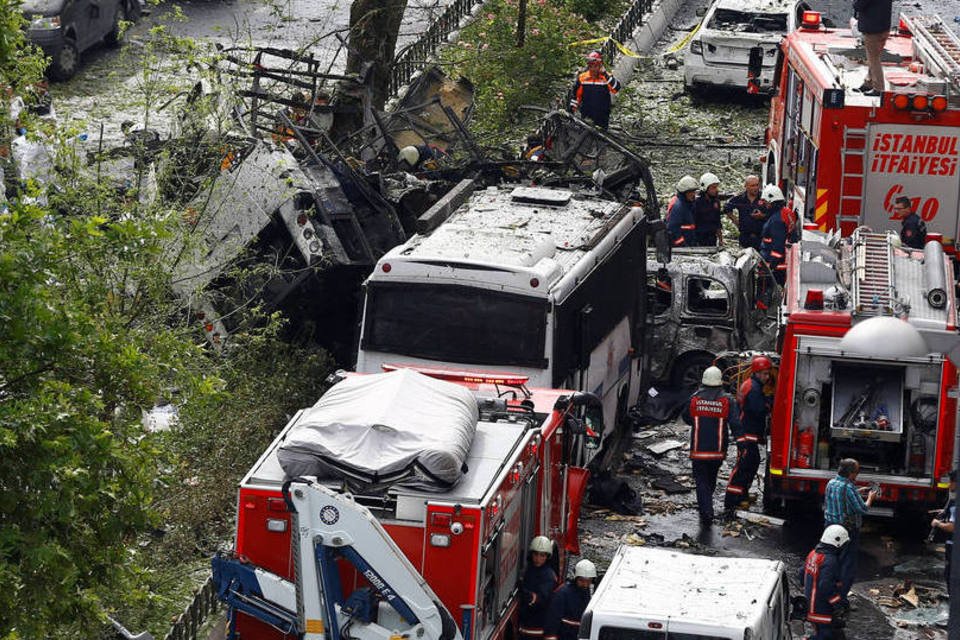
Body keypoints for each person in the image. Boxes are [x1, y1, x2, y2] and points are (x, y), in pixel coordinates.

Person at [682, 366, 740, 525]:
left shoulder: (695, 399)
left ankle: (706, 511)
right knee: (711, 478)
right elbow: (735, 423)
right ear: (720, 382)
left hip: (698, 451)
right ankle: (706, 506)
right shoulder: (727, 400)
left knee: (701, 481)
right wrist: (743, 444)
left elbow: (687, 417)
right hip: (717, 452)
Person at [724, 355, 773, 518]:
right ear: (757, 372)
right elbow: (758, 409)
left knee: (752, 463)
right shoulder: (753, 388)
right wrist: (769, 404)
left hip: (749, 433)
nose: (767, 377)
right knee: (743, 467)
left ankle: (742, 494)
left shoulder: (752, 385)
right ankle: (731, 501)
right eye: (765, 374)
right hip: (747, 433)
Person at [824, 458, 878, 603]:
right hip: (846, 531)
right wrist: (871, 498)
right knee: (848, 564)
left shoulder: (831, 483)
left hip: (829, 527)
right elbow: (863, 509)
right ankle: (840, 598)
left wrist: (857, 492)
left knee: (832, 560)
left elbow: (838, 500)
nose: (857, 475)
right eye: (857, 472)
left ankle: (830, 591)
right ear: (851, 474)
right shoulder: (848, 488)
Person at [802, 524, 850, 640]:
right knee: (826, 636)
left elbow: (801, 573)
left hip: (810, 604)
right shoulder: (830, 561)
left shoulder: (813, 554)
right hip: (820, 608)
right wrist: (838, 603)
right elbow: (825, 586)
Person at [544, 559, 595, 640]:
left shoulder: (585, 592)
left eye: (588, 581)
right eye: (582, 580)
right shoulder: (562, 593)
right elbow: (552, 620)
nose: (585, 584)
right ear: (576, 578)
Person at [519, 536, 559, 640]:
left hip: (537, 628)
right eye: (535, 554)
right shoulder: (529, 569)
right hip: (525, 625)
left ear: (547, 557)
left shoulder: (548, 576)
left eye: (542, 555)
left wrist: (526, 595)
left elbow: (541, 599)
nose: (538, 558)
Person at [569, 51, 621, 129]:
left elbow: (616, 88)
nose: (593, 69)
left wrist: (605, 75)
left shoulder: (606, 77)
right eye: (590, 66)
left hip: (602, 115)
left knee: (601, 135)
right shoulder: (582, 78)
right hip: (586, 114)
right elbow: (575, 95)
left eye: (595, 66)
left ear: (600, 66)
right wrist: (572, 110)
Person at [759, 184, 798, 285]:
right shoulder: (785, 212)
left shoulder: (776, 221)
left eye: (766, 202)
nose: (764, 205)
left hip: (775, 266)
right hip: (779, 264)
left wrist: (771, 266)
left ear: (772, 202)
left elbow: (778, 246)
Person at [855, 0, 893, 95]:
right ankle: (869, 82)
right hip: (884, 28)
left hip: (873, 30)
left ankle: (879, 88)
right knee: (874, 56)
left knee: (873, 59)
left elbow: (858, 6)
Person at [929, 470, 956, 596]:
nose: (950, 486)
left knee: (951, 575)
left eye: (952, 482)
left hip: (954, 545)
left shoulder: (955, 504)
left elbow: (952, 527)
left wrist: (937, 523)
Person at [723, 175, 768, 250]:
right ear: (746, 186)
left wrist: (762, 216)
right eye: (752, 186)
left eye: (757, 185)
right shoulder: (740, 198)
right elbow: (726, 208)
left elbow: (773, 213)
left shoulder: (764, 197)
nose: (755, 188)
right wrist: (736, 222)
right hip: (745, 238)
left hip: (761, 238)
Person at [667, 175, 698, 247]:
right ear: (684, 193)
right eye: (690, 192)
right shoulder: (678, 206)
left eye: (694, 191)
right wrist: (682, 244)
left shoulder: (687, 204)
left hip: (689, 243)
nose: (693, 194)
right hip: (680, 247)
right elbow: (673, 228)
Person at [693, 172, 723, 247]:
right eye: (713, 187)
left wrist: (721, 239)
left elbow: (717, 222)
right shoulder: (697, 203)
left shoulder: (716, 202)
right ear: (705, 188)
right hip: (699, 239)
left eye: (716, 187)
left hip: (712, 238)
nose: (716, 190)